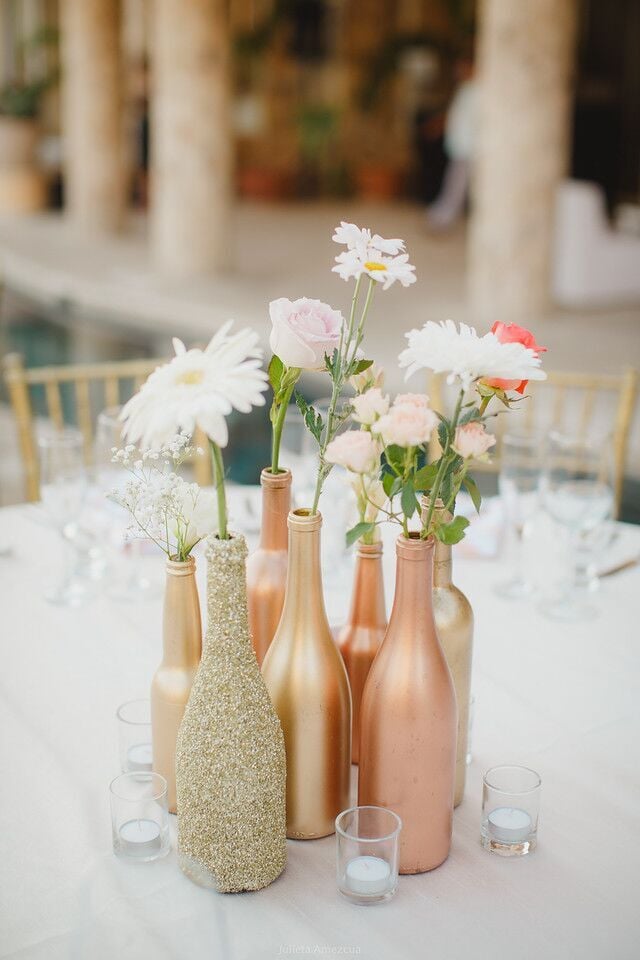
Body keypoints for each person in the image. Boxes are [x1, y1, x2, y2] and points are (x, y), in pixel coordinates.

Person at [427, 56, 477, 230]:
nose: (459, 72)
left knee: (458, 184)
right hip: (460, 146)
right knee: (455, 182)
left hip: (471, 147)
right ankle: (441, 217)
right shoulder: (465, 89)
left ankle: (442, 218)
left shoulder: (479, 91)